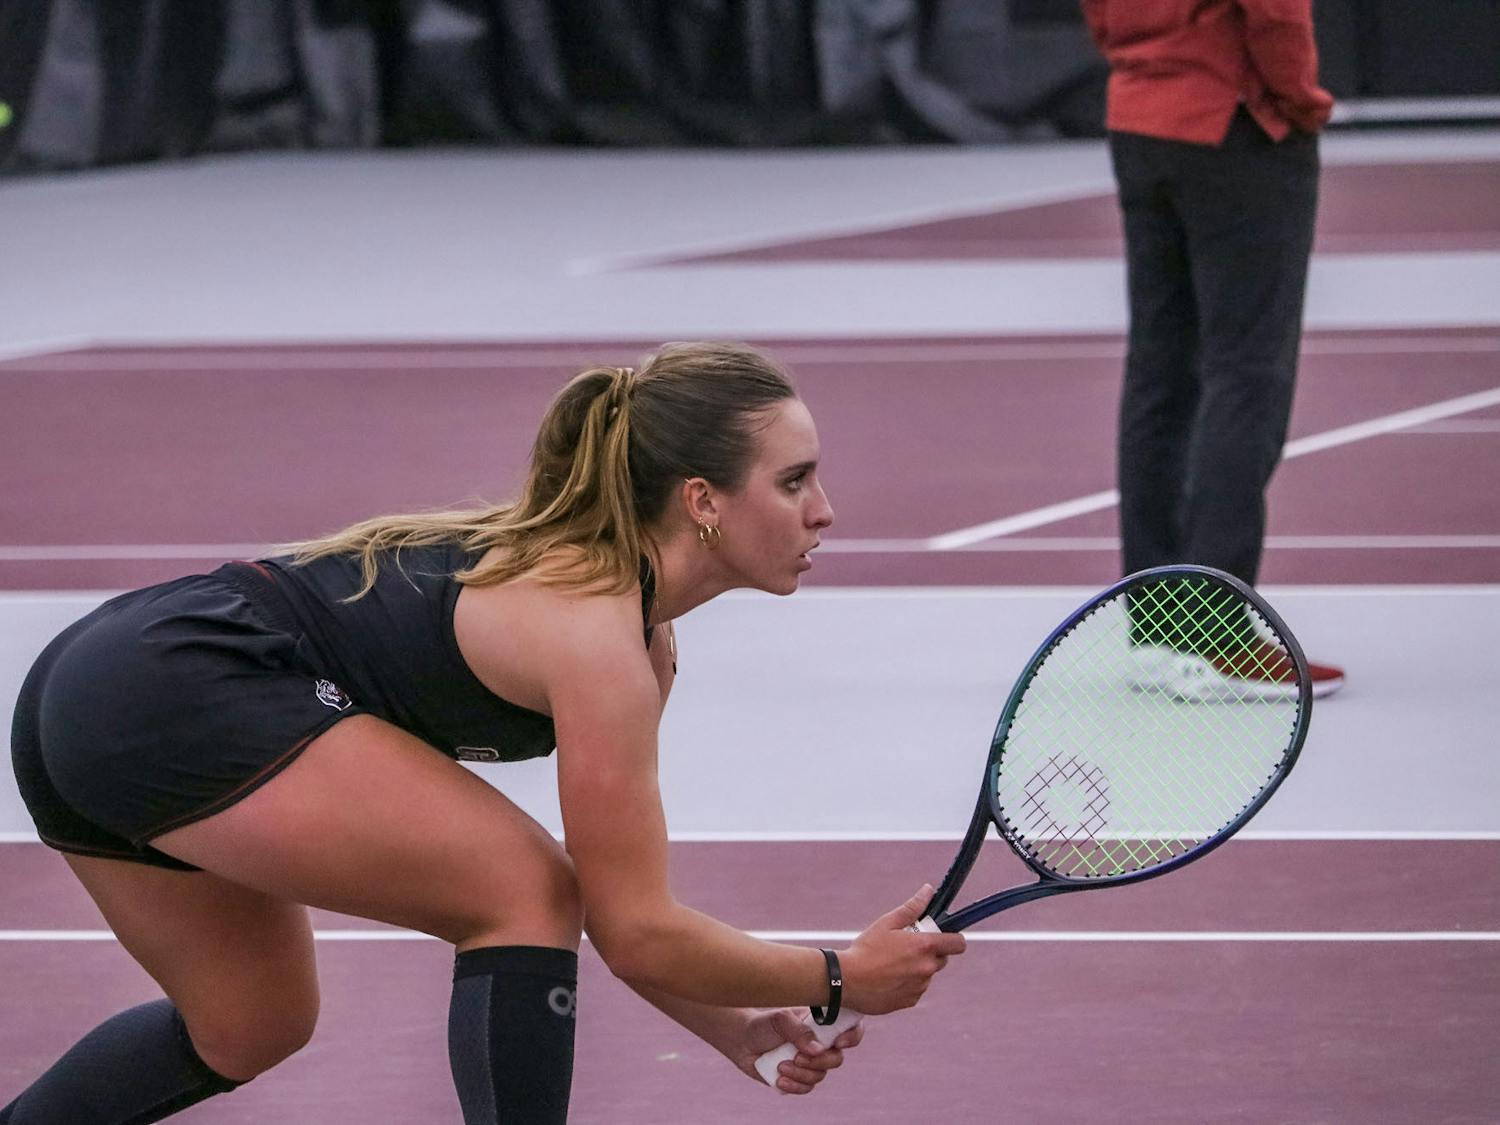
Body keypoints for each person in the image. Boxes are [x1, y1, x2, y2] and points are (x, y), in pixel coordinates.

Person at [4, 341, 966, 1124]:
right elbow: (624, 926)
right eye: (793, 479)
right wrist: (839, 975)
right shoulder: (596, 637)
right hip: (166, 688)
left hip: (94, 690)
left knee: (250, 1025)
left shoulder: (637, 638)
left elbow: (622, 908)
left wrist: (730, 1023)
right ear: (703, 502)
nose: (824, 509)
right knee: (519, 888)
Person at [1081, 0, 1345, 696]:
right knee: (1248, 372)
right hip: (1235, 124)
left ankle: (1160, 628)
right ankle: (1217, 627)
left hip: (1140, 115)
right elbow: (1275, 10)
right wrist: (1300, 101)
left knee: (1160, 375)